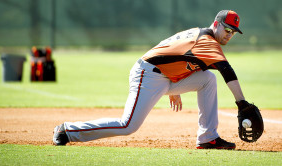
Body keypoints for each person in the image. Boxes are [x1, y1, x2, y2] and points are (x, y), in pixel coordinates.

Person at [53, 10, 248, 149]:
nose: (229, 35)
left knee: (207, 79)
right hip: (147, 74)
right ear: (216, 24)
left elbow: (179, 54)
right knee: (128, 125)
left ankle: (208, 138)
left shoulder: (200, 35)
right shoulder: (207, 42)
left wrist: (177, 85)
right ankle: (67, 131)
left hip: (165, 75)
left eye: (233, 32)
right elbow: (227, 70)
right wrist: (242, 103)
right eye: (227, 29)